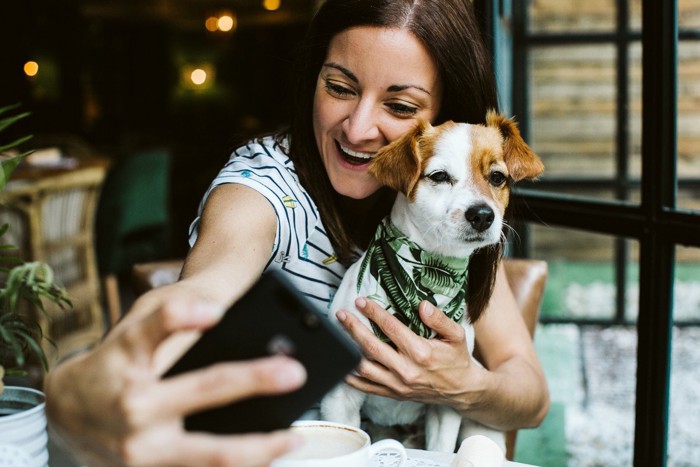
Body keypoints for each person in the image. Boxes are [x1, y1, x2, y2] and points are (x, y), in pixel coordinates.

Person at [44, 0, 550, 465]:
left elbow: (529, 394)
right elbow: (203, 288)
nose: (357, 129)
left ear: (446, 120)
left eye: (399, 106)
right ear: (313, 80)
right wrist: (101, 375)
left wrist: (464, 385)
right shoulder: (263, 188)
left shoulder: (454, 220)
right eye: (339, 87)